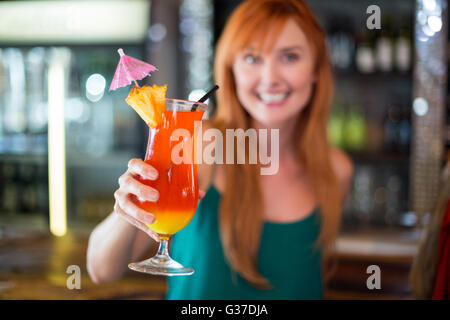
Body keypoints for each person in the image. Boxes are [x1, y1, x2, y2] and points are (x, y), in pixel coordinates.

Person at [87, 0, 353, 299]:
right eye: (252, 58)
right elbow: (102, 270)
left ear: (316, 70)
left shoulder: (337, 170)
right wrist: (126, 211)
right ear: (232, 71)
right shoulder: (201, 143)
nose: (270, 78)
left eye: (290, 57)